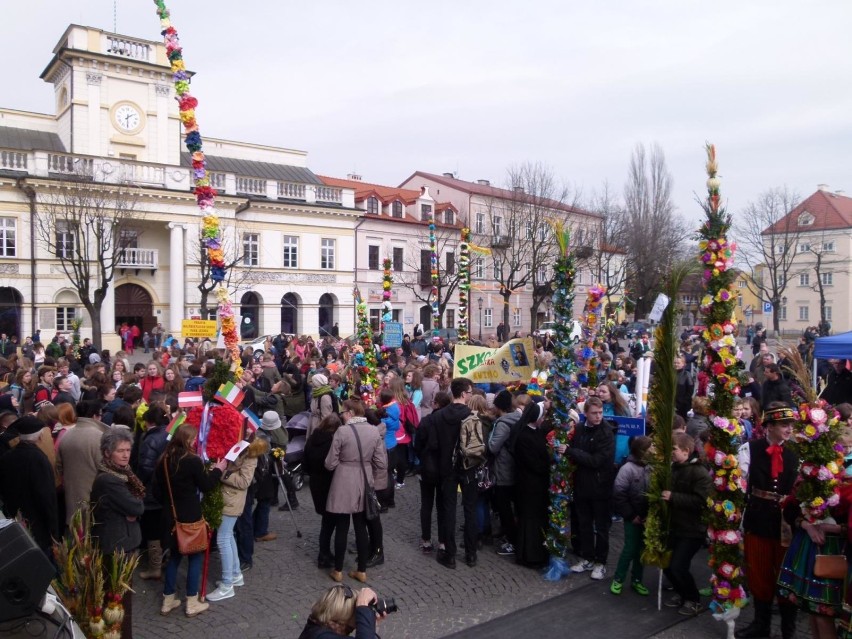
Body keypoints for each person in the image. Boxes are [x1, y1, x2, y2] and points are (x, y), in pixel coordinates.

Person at [734, 403, 799, 638]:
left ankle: (788, 630)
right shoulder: (749, 449)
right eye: (784, 425)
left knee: (785, 577)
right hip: (758, 519)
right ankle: (761, 625)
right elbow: (740, 486)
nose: (789, 429)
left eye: (791, 424)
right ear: (769, 426)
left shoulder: (797, 453)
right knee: (759, 575)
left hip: (786, 525)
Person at [152, 424, 227, 617]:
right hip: (190, 516)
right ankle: (192, 602)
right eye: (194, 439)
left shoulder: (163, 460)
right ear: (187, 440)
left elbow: (157, 491)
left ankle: (168, 600)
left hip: (169, 516)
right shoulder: (192, 461)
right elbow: (207, 485)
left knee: (174, 557)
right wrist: (218, 470)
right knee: (195, 557)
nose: (196, 442)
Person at [90, 428, 145, 638]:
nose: (125, 455)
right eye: (120, 451)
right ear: (107, 453)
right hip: (117, 545)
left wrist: (133, 508)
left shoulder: (122, 473)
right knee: (118, 602)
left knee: (122, 601)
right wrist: (132, 509)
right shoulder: (109, 480)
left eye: (128, 450)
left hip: (122, 542)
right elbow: (137, 507)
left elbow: (136, 504)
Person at [324, 399, 387, 584]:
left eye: (343, 412)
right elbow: (381, 463)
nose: (342, 415)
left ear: (350, 412)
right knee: (360, 526)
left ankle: (338, 570)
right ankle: (361, 570)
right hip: (364, 479)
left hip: (344, 479)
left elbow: (330, 463)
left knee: (342, 526)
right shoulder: (374, 431)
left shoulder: (342, 431)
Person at [206, 436, 264, 603]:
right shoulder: (241, 446)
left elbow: (244, 481)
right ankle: (235, 574)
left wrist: (221, 472)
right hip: (229, 499)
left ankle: (227, 585)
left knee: (223, 539)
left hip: (232, 501)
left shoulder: (251, 453)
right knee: (228, 535)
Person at [662, 433, 712, 616]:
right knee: (667, 564)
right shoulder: (675, 467)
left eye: (674, 449)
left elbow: (702, 501)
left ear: (686, 451)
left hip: (692, 529)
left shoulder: (699, 473)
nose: (671, 453)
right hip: (676, 525)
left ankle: (693, 599)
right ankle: (681, 593)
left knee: (678, 566)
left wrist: (673, 497)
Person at [568, 396, 616, 580]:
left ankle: (600, 562)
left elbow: (596, 460)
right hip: (582, 485)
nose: (598, 416)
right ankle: (587, 557)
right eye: (594, 413)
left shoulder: (606, 432)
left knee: (601, 527)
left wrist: (574, 452)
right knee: (584, 524)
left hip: (601, 487)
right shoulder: (580, 429)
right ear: (586, 413)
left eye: (600, 412)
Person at [431, 377, 474, 569]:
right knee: (469, 510)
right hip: (468, 466)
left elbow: (433, 444)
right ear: (464, 394)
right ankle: (471, 554)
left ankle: (450, 554)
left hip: (446, 466)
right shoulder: (472, 415)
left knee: (448, 510)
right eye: (470, 392)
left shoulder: (439, 416)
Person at [0, 416, 57, 558]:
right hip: (38, 524)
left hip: (17, 520)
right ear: (40, 435)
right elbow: (46, 497)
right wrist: (53, 530)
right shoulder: (38, 459)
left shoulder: (7, 457)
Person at [610, 436, 652, 596]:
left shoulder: (652, 467)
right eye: (650, 449)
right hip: (632, 517)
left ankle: (637, 580)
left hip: (647, 517)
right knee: (629, 548)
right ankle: (618, 579)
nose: (654, 451)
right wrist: (630, 514)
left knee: (641, 549)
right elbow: (619, 494)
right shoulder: (627, 469)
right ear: (642, 452)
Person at [56, 399, 109, 526]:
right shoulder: (100, 437)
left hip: (72, 498)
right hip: (97, 499)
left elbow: (58, 467)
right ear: (95, 416)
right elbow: (108, 469)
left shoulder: (66, 436)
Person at [513, 400, 551, 568]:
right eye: (542, 416)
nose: (544, 419)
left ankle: (539, 552)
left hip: (538, 483)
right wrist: (547, 465)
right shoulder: (524, 435)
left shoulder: (537, 432)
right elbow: (531, 462)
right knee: (529, 519)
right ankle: (529, 554)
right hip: (528, 483)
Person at [135, 406, 171, 580]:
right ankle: (164, 559)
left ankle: (155, 566)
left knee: (152, 530)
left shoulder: (151, 440)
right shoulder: (170, 433)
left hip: (152, 491)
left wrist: (137, 484)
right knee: (163, 527)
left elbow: (145, 468)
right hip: (165, 489)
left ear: (148, 421)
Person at [415, 391, 452, 554]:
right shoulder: (450, 422)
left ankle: (426, 540)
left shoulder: (426, 421)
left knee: (427, 504)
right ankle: (443, 541)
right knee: (442, 506)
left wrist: (423, 457)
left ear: (435, 403)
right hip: (445, 468)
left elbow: (418, 445)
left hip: (428, 467)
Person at [305, 412, 344, 569]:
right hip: (329, 484)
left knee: (326, 521)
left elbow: (305, 463)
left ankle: (325, 552)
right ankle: (324, 554)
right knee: (330, 523)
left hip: (316, 484)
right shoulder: (332, 443)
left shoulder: (312, 439)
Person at [488, 390, 522, 557]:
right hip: (516, 469)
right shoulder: (519, 418)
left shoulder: (502, 423)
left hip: (504, 469)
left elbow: (493, 447)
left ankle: (512, 541)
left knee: (504, 507)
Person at [298, 584, 384, 639]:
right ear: (346, 616)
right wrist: (363, 606)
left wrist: (372, 625)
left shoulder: (316, 627)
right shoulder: (322, 636)